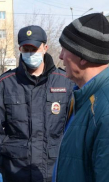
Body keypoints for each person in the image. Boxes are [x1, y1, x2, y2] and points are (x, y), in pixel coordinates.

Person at [0, 25, 74, 182]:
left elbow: (75, 128)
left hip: (55, 170)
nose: (31, 53)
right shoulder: (5, 83)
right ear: (20, 49)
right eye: (26, 49)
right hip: (16, 171)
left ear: (45, 48)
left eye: (35, 48)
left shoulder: (66, 81)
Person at [53, 13, 109, 182]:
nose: (61, 57)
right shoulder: (84, 97)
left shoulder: (104, 108)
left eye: (65, 49)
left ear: (83, 56)